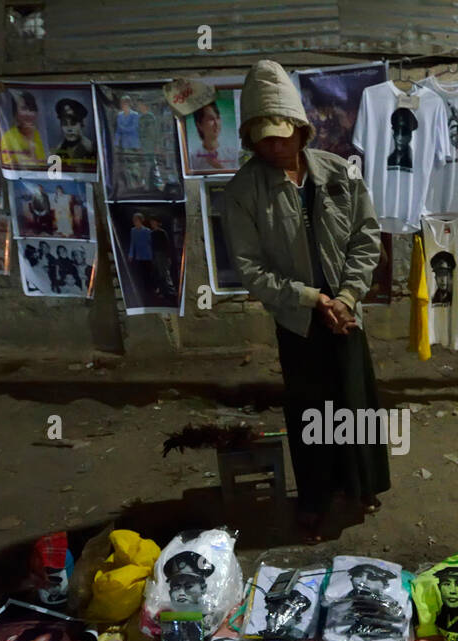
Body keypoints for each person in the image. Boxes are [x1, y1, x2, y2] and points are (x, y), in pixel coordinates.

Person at [224, 61, 387, 543]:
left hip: (346, 312)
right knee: (311, 410)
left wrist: (349, 295)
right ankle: (315, 497)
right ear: (251, 139)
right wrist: (313, 299)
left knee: (355, 404)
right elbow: (250, 268)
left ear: (301, 129)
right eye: (263, 138)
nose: (275, 146)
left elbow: (365, 235)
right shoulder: (242, 193)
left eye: (282, 135)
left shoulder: (339, 174)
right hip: (298, 319)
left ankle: (361, 485)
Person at [0, 91, 46, 167]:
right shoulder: (8, 137)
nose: (29, 114)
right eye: (24, 108)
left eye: (32, 109)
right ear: (15, 113)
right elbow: (10, 167)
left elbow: (42, 165)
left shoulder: (36, 134)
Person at [191, 99, 233, 170]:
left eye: (218, 118)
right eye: (211, 119)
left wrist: (219, 167)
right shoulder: (193, 158)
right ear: (199, 125)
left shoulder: (231, 153)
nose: (216, 123)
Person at [53, 97, 95, 163]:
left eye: (73, 123)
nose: (69, 129)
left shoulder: (92, 148)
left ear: (81, 124)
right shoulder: (58, 150)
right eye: (64, 124)